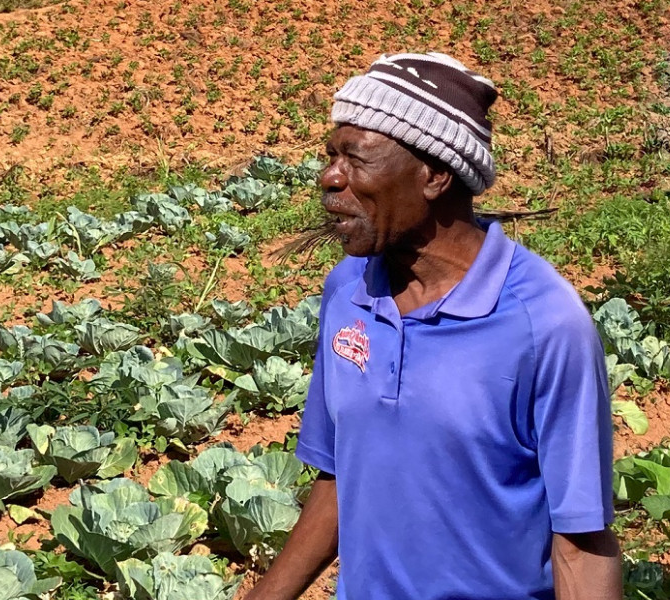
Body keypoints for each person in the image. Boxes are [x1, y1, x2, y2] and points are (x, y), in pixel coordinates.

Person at [245, 53, 622, 600]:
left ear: (436, 175)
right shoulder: (348, 291)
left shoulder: (543, 323)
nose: (329, 178)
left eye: (356, 158)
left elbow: (581, 540)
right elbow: (341, 477)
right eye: (330, 156)